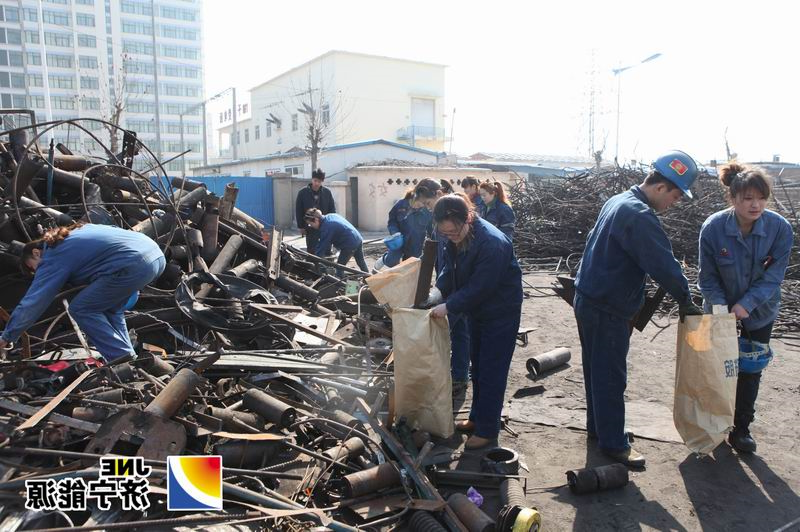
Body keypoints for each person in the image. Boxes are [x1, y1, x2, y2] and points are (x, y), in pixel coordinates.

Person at [573, 150, 703, 467]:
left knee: (596, 370)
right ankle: (614, 445)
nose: (673, 203)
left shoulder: (618, 201)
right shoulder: (639, 216)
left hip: (589, 299)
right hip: (607, 307)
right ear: (661, 187)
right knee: (610, 376)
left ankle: (600, 430)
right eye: (674, 196)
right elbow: (664, 265)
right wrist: (686, 300)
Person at [698, 163, 792, 454]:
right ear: (733, 198)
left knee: (750, 367)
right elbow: (708, 276)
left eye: (761, 198)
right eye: (748, 198)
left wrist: (746, 305)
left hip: (761, 310)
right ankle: (712, 424)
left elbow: (774, 277)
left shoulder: (779, 229)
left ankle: (741, 429)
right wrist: (721, 309)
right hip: (718, 309)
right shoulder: (714, 227)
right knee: (716, 366)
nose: (755, 204)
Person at [430, 195, 523, 449]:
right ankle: (477, 418)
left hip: (500, 312)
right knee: (478, 367)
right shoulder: (454, 236)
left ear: (468, 218)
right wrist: (437, 292)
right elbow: (450, 269)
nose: (450, 236)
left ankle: (487, 429)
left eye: (453, 231)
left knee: (492, 370)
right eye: (445, 233)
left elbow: (480, 287)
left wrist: (448, 306)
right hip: (478, 310)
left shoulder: (492, 243)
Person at [0, 223, 166, 362]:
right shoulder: (77, 233)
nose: (36, 273)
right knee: (112, 310)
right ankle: (130, 359)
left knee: (81, 309)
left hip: (132, 263)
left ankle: (121, 358)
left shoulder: (53, 255)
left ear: (36, 252)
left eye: (32, 267)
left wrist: (7, 337)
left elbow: (35, 300)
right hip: (155, 256)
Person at [414, 179, 470, 393]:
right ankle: (455, 371)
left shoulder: (456, 215)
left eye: (428, 203)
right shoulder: (436, 220)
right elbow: (432, 250)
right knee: (452, 329)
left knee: (459, 329)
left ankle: (460, 376)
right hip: (446, 278)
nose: (429, 209)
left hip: (460, 281)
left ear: (438, 193)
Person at [374, 188, 431, 271]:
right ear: (414, 197)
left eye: (423, 204)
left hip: (416, 243)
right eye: (419, 204)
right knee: (391, 262)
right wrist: (394, 232)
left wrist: (431, 240)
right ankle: (384, 259)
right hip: (399, 240)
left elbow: (430, 227)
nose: (421, 206)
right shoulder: (400, 205)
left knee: (409, 266)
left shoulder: (426, 210)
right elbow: (392, 221)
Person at [304, 208, 368, 276]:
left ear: (316, 220)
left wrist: (315, 260)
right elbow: (327, 242)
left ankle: (340, 284)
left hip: (349, 244)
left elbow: (322, 246)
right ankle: (369, 279)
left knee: (339, 267)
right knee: (361, 261)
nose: (310, 226)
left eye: (310, 224)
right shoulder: (330, 216)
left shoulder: (327, 227)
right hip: (357, 238)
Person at [296, 168, 336, 253]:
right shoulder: (302, 193)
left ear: (322, 181)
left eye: (319, 181)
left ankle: (326, 266)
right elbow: (298, 210)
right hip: (310, 227)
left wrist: (332, 225)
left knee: (326, 250)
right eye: (315, 180)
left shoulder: (327, 192)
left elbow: (332, 209)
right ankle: (313, 266)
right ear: (312, 179)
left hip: (325, 227)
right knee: (312, 250)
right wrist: (301, 226)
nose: (317, 183)